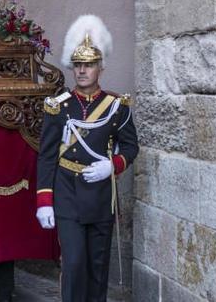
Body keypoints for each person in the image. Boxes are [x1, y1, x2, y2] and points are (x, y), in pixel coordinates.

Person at [35, 15, 139, 302]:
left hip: (101, 197)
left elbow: (131, 147)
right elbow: (46, 157)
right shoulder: (59, 107)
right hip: (67, 194)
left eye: (88, 65)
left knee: (97, 267)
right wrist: (44, 200)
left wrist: (113, 166)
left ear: (100, 67)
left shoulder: (116, 107)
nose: (82, 71)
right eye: (78, 65)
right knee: (75, 263)